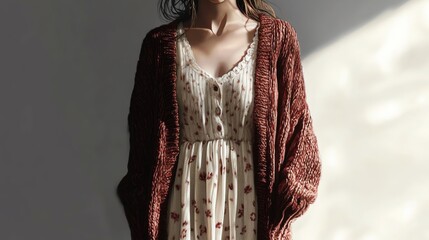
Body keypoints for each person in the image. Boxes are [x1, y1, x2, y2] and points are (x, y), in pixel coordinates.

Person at [116, 0, 322, 239]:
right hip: (183, 215)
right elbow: (142, 153)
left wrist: (284, 206)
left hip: (253, 220)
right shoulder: (159, 47)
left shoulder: (279, 40)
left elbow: (300, 134)